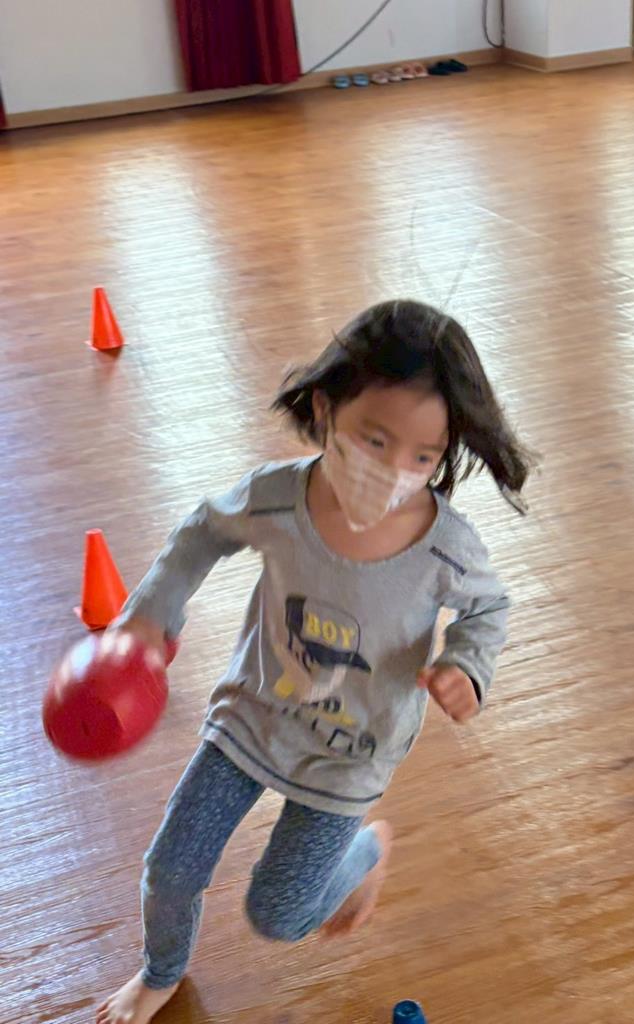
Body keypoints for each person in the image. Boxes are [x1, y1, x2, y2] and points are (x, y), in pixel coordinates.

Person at [97, 299, 534, 1024]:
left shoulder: (445, 547)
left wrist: (466, 665)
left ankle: (366, 853)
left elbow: (488, 607)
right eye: (374, 440)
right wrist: (151, 615)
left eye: (423, 457)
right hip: (253, 717)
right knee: (171, 868)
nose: (394, 470)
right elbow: (202, 530)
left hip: (349, 753)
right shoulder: (277, 500)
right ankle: (160, 971)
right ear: (327, 409)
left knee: (280, 915)